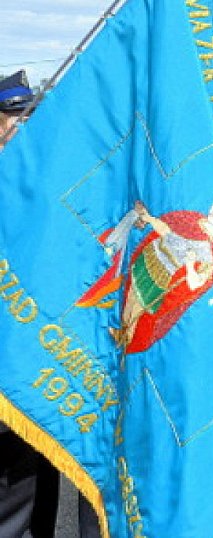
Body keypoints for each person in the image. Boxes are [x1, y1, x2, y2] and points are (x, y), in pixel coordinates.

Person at [0, 69, 60, 538]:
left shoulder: (37, 186)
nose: (26, 129)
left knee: (41, 480)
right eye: (17, 119)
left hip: (42, 363)